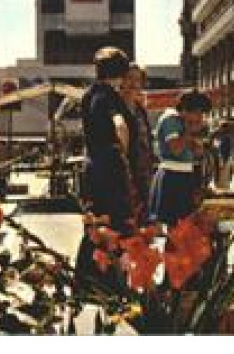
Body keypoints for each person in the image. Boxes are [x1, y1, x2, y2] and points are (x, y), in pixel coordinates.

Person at [75, 46, 135, 286]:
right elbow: (119, 125)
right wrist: (123, 152)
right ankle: (108, 281)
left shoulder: (89, 95)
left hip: (93, 166)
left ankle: (87, 278)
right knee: (114, 225)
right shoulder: (109, 97)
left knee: (96, 223)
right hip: (110, 168)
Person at [149, 90, 213, 225]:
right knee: (174, 227)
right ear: (185, 110)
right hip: (171, 175)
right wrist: (190, 130)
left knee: (185, 225)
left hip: (185, 175)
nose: (200, 118)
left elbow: (197, 153)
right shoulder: (170, 120)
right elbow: (176, 149)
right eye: (198, 113)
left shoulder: (183, 124)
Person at [121, 64, 155, 227]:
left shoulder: (140, 110)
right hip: (123, 176)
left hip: (143, 175)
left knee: (142, 225)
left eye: (137, 79)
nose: (133, 83)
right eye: (129, 78)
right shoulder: (114, 108)